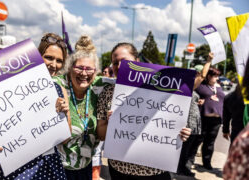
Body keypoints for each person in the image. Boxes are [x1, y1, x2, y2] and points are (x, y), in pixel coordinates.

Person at [96, 42, 191, 180]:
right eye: (115, 63)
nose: (119, 66)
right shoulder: (108, 93)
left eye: (124, 61)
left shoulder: (164, 89)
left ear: (137, 61)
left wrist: (182, 133)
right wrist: (112, 124)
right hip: (121, 170)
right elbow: (100, 134)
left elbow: (171, 125)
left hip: (156, 170)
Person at [0, 33, 70, 179]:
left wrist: (64, 113)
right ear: (38, 57)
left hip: (47, 165)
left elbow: (65, 139)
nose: (54, 64)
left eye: (59, 60)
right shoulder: (14, 86)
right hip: (16, 164)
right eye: (49, 57)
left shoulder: (59, 90)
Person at [53, 35, 110, 180]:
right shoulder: (56, 85)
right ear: (70, 68)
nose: (84, 73)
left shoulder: (99, 88)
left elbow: (128, 84)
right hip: (57, 168)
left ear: (96, 71)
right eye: (79, 68)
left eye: (89, 69)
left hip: (85, 167)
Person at [177, 53, 213, 176]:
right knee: (185, 148)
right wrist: (208, 60)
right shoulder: (186, 86)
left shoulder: (189, 87)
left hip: (194, 121)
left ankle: (185, 167)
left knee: (191, 148)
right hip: (189, 121)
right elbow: (203, 75)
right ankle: (181, 168)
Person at [194, 67, 225, 170]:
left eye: (217, 76)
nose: (217, 78)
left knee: (210, 143)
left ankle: (207, 163)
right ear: (209, 76)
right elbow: (193, 97)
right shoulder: (201, 87)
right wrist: (199, 102)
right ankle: (187, 162)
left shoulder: (218, 87)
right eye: (215, 76)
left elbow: (222, 100)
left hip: (216, 120)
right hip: (203, 118)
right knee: (197, 140)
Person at [223, 59, 249, 179]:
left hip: (237, 131)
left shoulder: (229, 97)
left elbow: (226, 116)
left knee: (235, 153)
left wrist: (225, 130)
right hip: (240, 130)